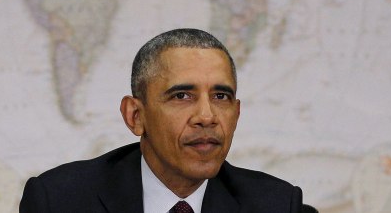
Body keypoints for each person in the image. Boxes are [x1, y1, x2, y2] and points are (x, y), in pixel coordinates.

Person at [20, 28, 316, 213]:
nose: (206, 116)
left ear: (236, 115)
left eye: (221, 97)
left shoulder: (277, 205)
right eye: (182, 96)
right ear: (135, 116)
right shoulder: (58, 201)